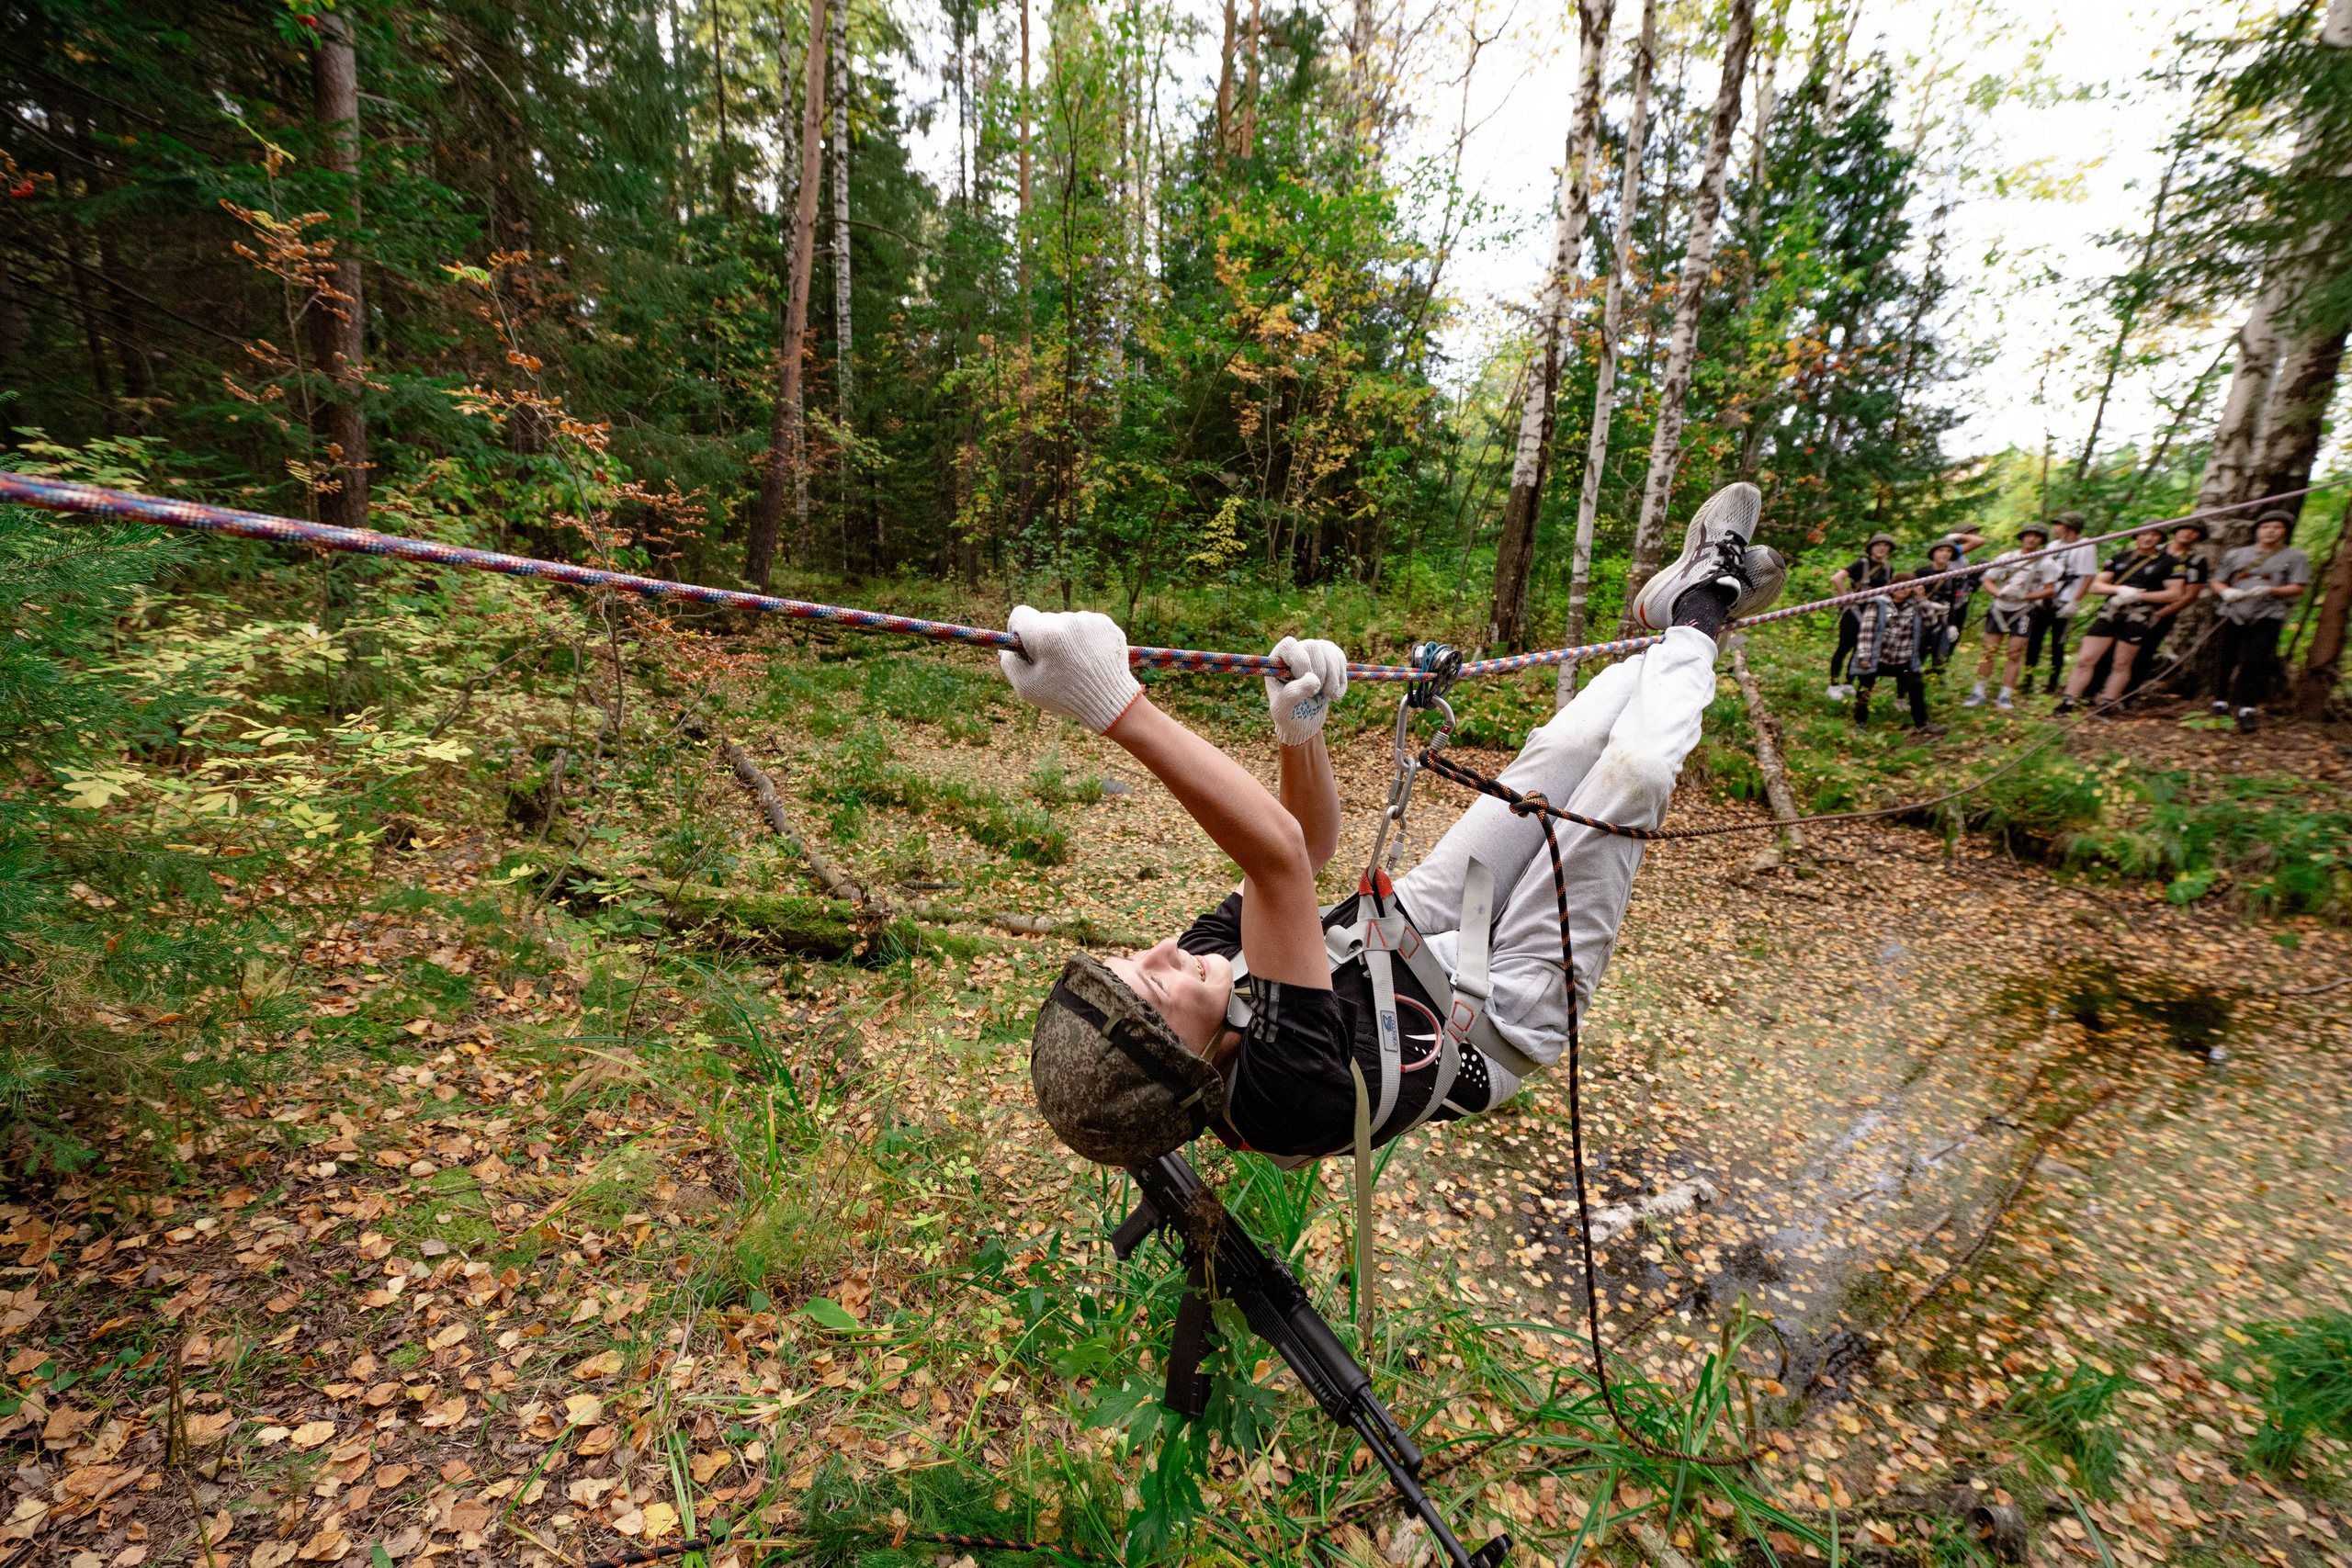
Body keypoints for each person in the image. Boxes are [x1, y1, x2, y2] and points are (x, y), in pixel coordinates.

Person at [1013, 485, 1787, 1168]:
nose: (1163, 950)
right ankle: (1703, 606)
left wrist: (1301, 734)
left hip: (1406, 927)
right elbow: (1279, 860)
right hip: (1506, 1006)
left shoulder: (1203, 968)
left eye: (1133, 955)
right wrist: (1115, 705)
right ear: (1188, 1066)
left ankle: (1675, 620)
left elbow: (1302, 850)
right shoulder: (1273, 1100)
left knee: (1566, 751)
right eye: (1153, 979)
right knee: (1639, 775)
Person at [2054, 525, 2199, 715]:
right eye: (2144, 533)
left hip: (2138, 616)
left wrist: (2140, 595)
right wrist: (2119, 590)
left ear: (2160, 539)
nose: (2148, 538)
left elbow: (2174, 593)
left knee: (2122, 662)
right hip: (2111, 611)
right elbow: (2096, 586)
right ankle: (2068, 701)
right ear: (2136, 536)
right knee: (2086, 658)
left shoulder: (2171, 562)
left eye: (2154, 535)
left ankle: (2107, 704)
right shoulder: (2120, 558)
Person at [2211, 511, 2312, 732]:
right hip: (2232, 610)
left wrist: (2270, 589)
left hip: (2268, 613)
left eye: (2276, 527)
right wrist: (2226, 592)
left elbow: (2299, 587)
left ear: (2284, 531)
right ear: (2257, 530)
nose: (2270, 531)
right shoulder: (2236, 554)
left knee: (2256, 661)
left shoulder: (2295, 557)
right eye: (2265, 527)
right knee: (2225, 657)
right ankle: (2219, 700)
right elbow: (2217, 580)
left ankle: (2247, 707)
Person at [1963, 524, 2057, 710]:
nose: (2032, 539)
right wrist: (1998, 593)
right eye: (2028, 535)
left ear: (2042, 541)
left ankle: (2005, 695)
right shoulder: (2006, 558)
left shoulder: (2047, 563)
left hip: (2024, 610)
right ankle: (1978, 691)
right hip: (2000, 608)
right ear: (2022, 537)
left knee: (2014, 653)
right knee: (1989, 650)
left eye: (2037, 537)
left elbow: (2050, 590)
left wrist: (2025, 596)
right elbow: (1988, 581)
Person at [1850, 570, 1943, 735]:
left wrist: (1922, 598)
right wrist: (1864, 656)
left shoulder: (1915, 605)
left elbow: (1931, 621)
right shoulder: (1878, 603)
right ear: (1892, 586)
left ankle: (1921, 724)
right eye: (1900, 585)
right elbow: (1867, 630)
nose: (1903, 590)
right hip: (1878, 656)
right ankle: (1860, 722)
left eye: (1908, 587)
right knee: (1865, 686)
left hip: (1903, 658)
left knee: (1916, 686)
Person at [2027, 512, 2098, 695]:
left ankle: (2052, 683)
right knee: (2034, 640)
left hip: (2066, 599)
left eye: (2059, 524)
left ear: (2070, 528)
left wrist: (2075, 602)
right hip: (2047, 597)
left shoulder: (2085, 546)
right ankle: (2028, 680)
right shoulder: (2053, 545)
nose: (2055, 528)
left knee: (2057, 643)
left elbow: (2089, 576)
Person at [1828, 533, 1898, 699]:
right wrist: (1846, 598)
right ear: (1871, 548)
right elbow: (1837, 578)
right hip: (1854, 612)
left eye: (1886, 546)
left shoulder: (1888, 568)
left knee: (1861, 648)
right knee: (1844, 647)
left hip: (1874, 615)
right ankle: (1834, 685)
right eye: (1878, 545)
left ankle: (1848, 682)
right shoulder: (1862, 564)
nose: (1882, 548)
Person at [1920, 539, 1967, 670]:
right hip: (1921, 619)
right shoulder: (1922, 572)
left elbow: (1953, 601)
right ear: (1933, 553)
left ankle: (1936, 680)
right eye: (1941, 550)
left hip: (1942, 620)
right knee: (1918, 654)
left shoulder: (1953, 575)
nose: (1945, 554)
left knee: (1941, 656)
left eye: (1949, 551)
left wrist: (1952, 625)